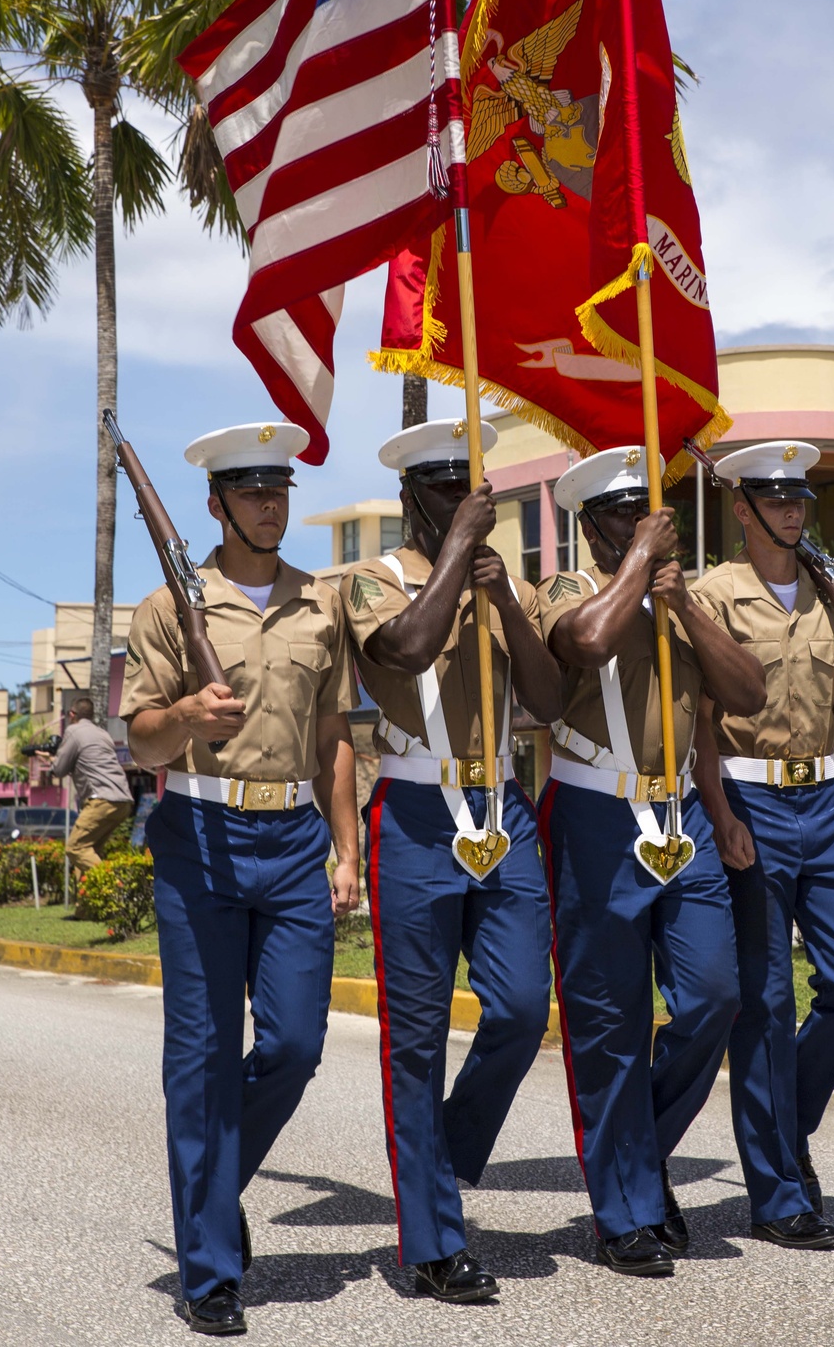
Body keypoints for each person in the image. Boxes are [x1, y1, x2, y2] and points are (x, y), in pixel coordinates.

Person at [121, 422, 359, 1337]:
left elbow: (337, 735)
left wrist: (347, 849)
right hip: (199, 836)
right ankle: (212, 1267)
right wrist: (183, 712)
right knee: (203, 1055)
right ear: (217, 505)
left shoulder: (319, 603)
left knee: (295, 1043)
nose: (272, 504)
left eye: (282, 490)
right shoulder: (168, 607)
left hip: (294, 836)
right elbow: (142, 736)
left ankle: (210, 1193)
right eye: (254, 492)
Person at [340, 418, 561, 1305]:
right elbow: (404, 651)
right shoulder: (372, 581)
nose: (469, 505)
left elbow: (548, 699)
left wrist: (504, 599)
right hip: (417, 808)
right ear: (410, 499)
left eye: (478, 492)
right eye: (445, 491)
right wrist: (458, 553)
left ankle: (449, 1148)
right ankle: (432, 1241)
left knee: (519, 1006)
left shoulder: (507, 584)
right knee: (417, 1034)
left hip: (502, 804)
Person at [536, 446, 766, 1277]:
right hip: (594, 811)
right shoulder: (564, 587)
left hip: (679, 812)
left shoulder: (684, 594)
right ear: (591, 525)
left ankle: (639, 1155)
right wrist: (640, 562)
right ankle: (624, 1210)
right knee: (609, 1021)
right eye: (624, 517)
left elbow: (747, 695)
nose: (641, 526)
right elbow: (589, 642)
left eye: (649, 515)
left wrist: (687, 609)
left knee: (714, 995)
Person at [691, 441, 834, 1250]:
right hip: (747, 797)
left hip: (823, 802)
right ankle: (779, 1191)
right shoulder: (712, 596)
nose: (793, 512)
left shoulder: (831, 594)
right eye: (777, 500)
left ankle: (786, 1125)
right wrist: (718, 812)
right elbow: (699, 725)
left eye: (800, 500)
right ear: (742, 510)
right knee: (764, 1002)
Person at [50, 696, 134, 880]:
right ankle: (87, 908)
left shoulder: (73, 731)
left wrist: (51, 760)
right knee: (88, 852)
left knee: (75, 848)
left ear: (72, 714)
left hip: (101, 800)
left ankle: (114, 887)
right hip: (123, 801)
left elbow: (59, 770)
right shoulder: (103, 734)